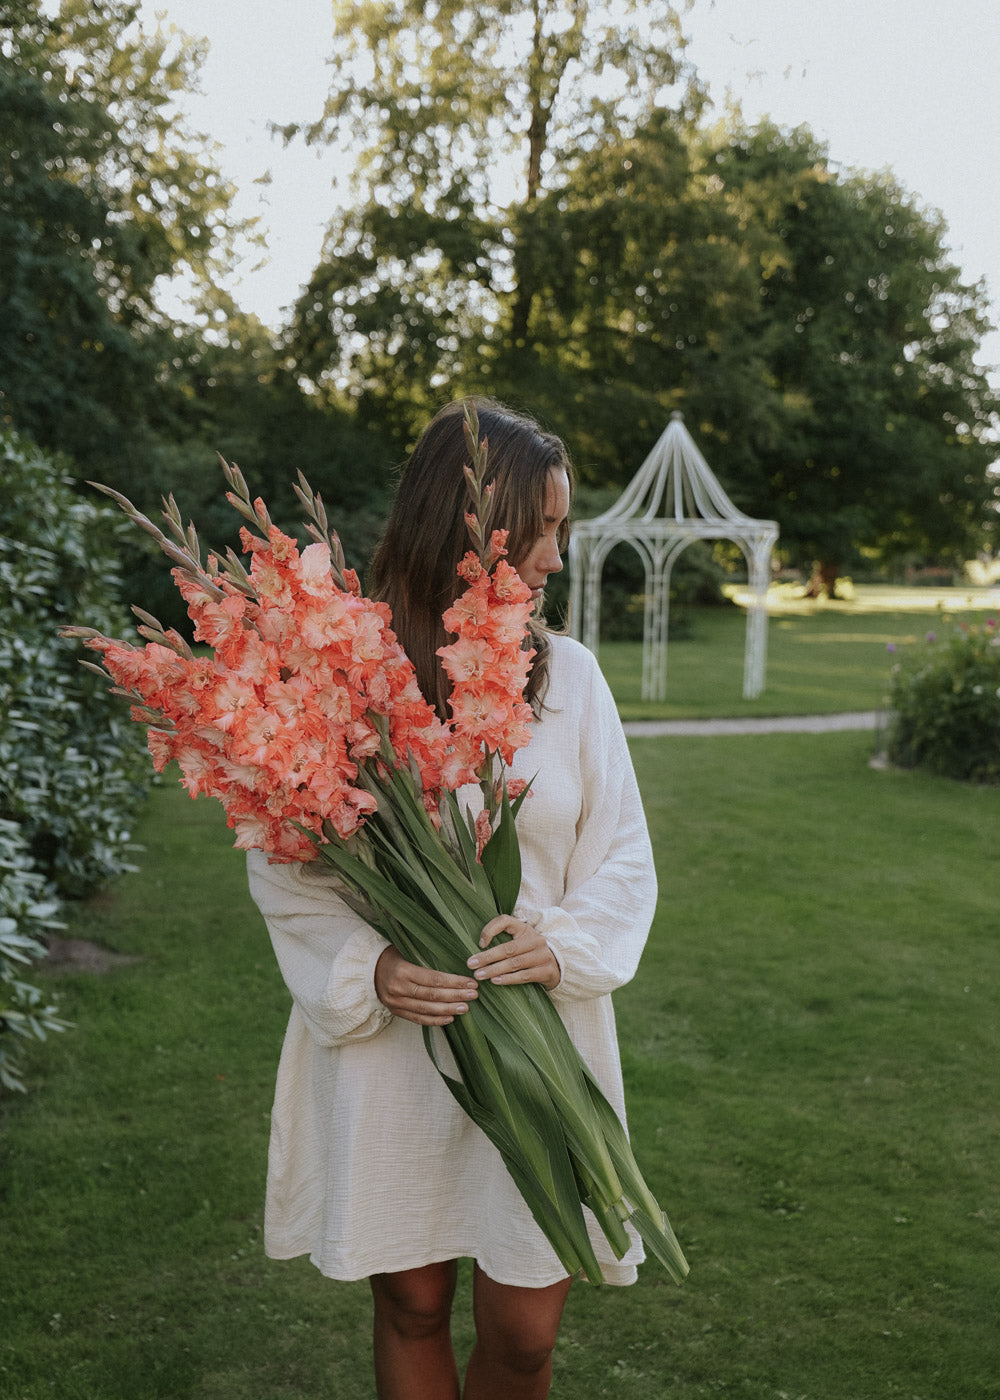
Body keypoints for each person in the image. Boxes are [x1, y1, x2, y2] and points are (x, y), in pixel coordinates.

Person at [246, 397, 658, 1399]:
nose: (559, 557)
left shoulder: (571, 682)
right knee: (413, 1303)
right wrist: (373, 968)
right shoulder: (342, 683)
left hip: (537, 1039)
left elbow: (625, 859)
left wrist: (557, 944)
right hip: (395, 1046)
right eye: (545, 529)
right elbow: (284, 863)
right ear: (467, 530)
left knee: (522, 1329)